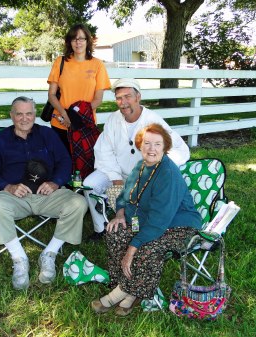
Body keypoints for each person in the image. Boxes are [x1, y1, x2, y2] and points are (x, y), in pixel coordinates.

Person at [91, 123, 202, 316]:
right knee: (115, 233)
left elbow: (159, 221)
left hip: (178, 225)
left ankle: (124, 293)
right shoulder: (141, 166)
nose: (151, 149)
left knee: (147, 247)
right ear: (140, 146)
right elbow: (125, 195)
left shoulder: (167, 172)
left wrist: (131, 250)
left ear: (165, 147)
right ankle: (124, 284)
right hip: (145, 219)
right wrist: (119, 214)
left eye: (157, 144)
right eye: (147, 143)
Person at [0, 96, 88, 290]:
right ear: (11, 116)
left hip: (48, 195)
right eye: (19, 114)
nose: (24, 118)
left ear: (35, 115)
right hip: (14, 197)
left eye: (28, 113)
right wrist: (7, 186)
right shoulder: (0, 140)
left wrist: (56, 183)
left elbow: (65, 162)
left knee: (78, 203)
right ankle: (19, 259)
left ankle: (49, 254)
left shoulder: (47, 135)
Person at [83, 78, 191, 241]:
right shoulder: (113, 119)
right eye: (119, 98)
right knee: (89, 185)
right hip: (117, 173)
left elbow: (180, 149)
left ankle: (134, 228)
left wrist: (153, 170)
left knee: (140, 205)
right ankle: (102, 227)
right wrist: (116, 178)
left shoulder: (153, 120)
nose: (123, 102)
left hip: (142, 177)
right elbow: (103, 150)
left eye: (128, 96)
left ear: (138, 97)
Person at [47, 23, 111, 156]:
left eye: (81, 38)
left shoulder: (97, 65)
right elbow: (52, 95)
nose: (78, 42)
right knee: (62, 164)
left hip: (85, 124)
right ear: (69, 42)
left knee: (84, 166)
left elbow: (98, 99)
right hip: (60, 123)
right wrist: (65, 115)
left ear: (88, 41)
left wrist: (76, 117)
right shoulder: (60, 62)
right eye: (74, 39)